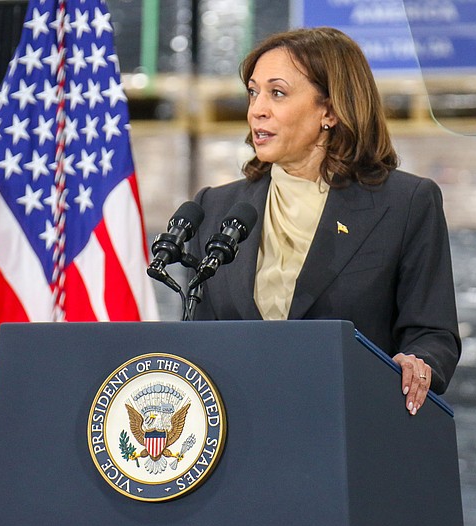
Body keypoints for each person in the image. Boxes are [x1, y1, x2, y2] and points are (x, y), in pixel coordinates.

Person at [188, 27, 460, 415]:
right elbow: (199, 338)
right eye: (253, 92)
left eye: (277, 93)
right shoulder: (214, 208)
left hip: (350, 425)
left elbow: (432, 333)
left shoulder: (405, 203)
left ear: (330, 111)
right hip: (239, 430)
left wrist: (417, 364)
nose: (257, 109)